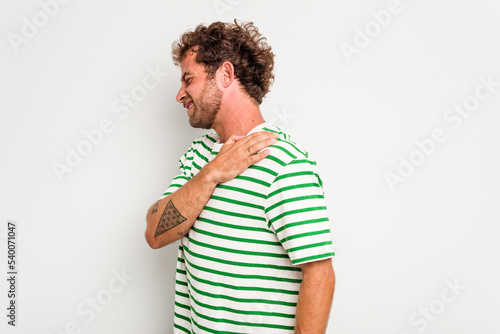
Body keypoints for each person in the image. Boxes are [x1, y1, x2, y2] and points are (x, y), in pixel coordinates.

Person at [145, 19, 335, 333]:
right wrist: (211, 174)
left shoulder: (284, 164)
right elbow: (156, 233)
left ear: (225, 74)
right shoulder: (199, 157)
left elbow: (320, 274)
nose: (180, 95)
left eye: (188, 80)